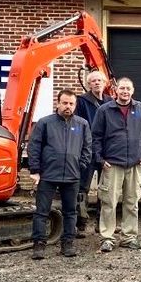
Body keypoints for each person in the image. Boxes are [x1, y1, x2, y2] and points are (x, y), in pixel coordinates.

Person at [91, 78, 141, 253]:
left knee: (132, 202)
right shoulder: (105, 110)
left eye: (128, 88)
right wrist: (100, 159)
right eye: (122, 88)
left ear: (132, 91)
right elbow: (95, 136)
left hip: (135, 164)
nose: (125, 91)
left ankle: (129, 237)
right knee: (109, 202)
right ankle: (107, 238)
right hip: (112, 164)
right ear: (116, 90)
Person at [28, 89, 91, 259]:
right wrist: (35, 171)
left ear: (75, 105)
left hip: (72, 176)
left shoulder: (82, 124)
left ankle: (68, 244)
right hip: (48, 175)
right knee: (42, 211)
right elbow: (34, 147)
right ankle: (39, 245)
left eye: (71, 103)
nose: (67, 106)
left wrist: (80, 166)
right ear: (58, 103)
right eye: (64, 103)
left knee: (70, 211)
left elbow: (87, 148)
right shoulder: (45, 123)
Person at [73, 71, 112, 237]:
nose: (97, 83)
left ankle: (101, 224)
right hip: (87, 151)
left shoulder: (111, 101)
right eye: (93, 81)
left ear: (105, 83)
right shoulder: (81, 102)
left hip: (106, 152)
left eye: (99, 80)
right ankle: (80, 224)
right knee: (83, 188)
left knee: (106, 189)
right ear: (89, 84)